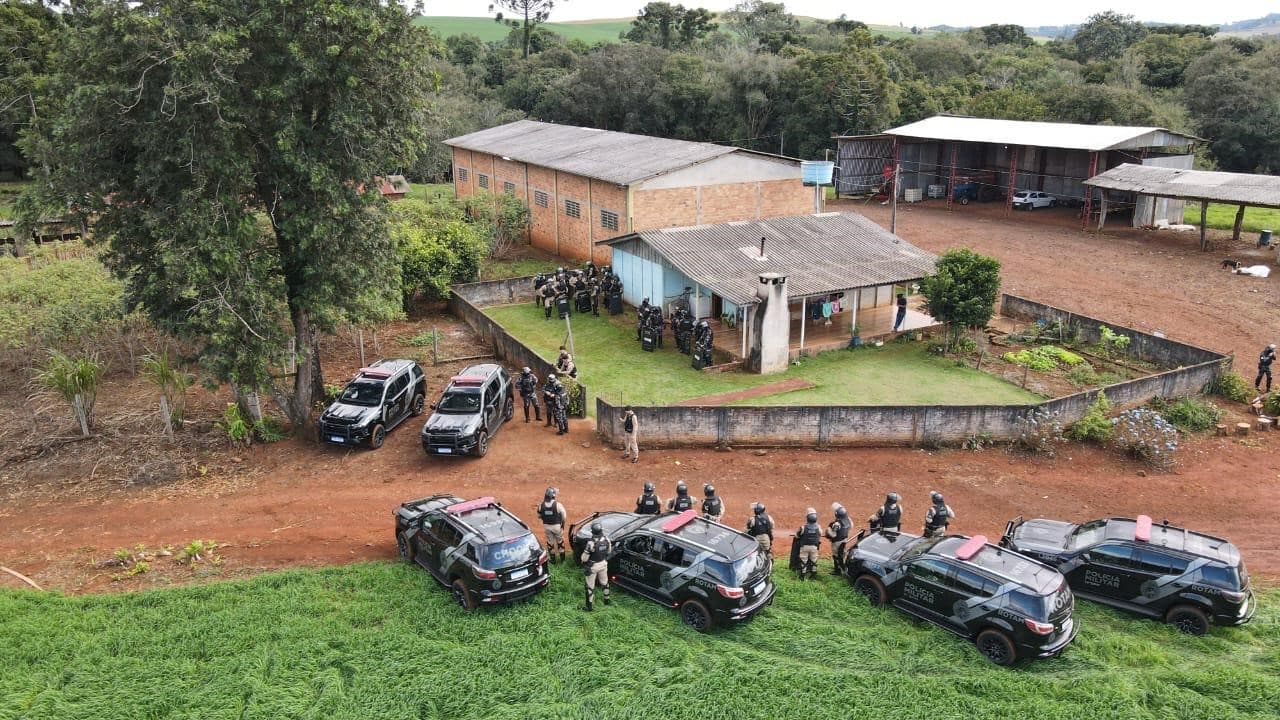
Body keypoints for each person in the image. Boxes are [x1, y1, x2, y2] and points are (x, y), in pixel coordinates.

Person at [580, 522, 612, 611]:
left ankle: (589, 607)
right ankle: (606, 601)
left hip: (593, 566)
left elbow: (584, 558)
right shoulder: (607, 539)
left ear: (592, 532)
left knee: (589, 586)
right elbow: (609, 552)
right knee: (605, 583)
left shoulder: (591, 542)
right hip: (603, 564)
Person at [536, 487, 567, 562]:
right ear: (553, 495)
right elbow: (564, 516)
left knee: (550, 542)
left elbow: (539, 516)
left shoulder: (541, 505)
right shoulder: (557, 505)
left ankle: (553, 561)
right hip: (557, 526)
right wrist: (562, 523)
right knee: (560, 541)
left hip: (547, 526)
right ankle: (562, 560)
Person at [826, 503, 853, 575]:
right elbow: (851, 527)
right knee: (842, 553)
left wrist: (828, 529)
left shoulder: (837, 524)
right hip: (845, 540)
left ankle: (837, 571)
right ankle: (842, 567)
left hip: (837, 542)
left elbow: (833, 535)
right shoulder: (848, 519)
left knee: (836, 555)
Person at [796, 508, 822, 580]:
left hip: (804, 546)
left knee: (803, 560)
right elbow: (820, 533)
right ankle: (813, 574)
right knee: (814, 560)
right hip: (814, 547)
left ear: (807, 518)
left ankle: (803, 575)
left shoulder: (803, 527)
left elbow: (797, 535)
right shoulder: (818, 527)